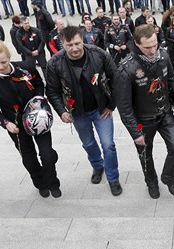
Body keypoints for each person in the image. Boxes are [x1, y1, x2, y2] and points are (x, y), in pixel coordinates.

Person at [46, 26, 123, 196]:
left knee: (108, 145)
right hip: (78, 112)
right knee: (88, 143)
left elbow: (116, 79)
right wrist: (61, 111)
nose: (74, 48)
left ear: (83, 40)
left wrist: (111, 105)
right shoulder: (54, 63)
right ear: (62, 44)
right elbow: (52, 90)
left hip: (101, 109)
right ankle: (97, 166)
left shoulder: (99, 54)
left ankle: (113, 178)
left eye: (77, 43)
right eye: (69, 45)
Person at [0, 39, 61, 198]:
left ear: (9, 57)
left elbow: (39, 84)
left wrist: (37, 100)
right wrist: (6, 123)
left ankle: (53, 182)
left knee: (47, 154)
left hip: (37, 119)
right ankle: (40, 183)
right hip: (15, 125)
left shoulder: (26, 67)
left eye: (4, 61)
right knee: (29, 159)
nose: (1, 66)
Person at [114, 24, 174, 199]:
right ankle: (151, 182)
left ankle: (168, 176)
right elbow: (124, 107)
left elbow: (172, 79)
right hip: (143, 119)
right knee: (145, 155)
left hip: (165, 112)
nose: (153, 50)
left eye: (155, 45)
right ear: (136, 44)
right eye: (147, 47)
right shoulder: (126, 69)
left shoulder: (163, 55)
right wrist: (134, 132)